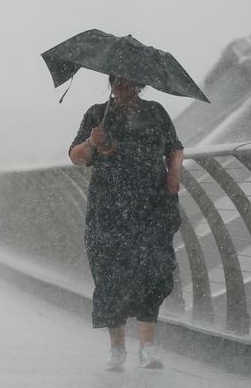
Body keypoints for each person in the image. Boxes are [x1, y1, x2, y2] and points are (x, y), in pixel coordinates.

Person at [68, 75, 183, 371]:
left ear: (140, 84)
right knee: (109, 273)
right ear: (110, 83)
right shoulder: (97, 114)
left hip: (151, 205)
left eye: (129, 82)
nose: (122, 87)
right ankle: (117, 349)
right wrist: (92, 143)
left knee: (152, 270)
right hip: (108, 208)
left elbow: (175, 149)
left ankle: (147, 346)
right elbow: (76, 157)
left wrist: (172, 181)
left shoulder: (155, 112)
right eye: (117, 82)